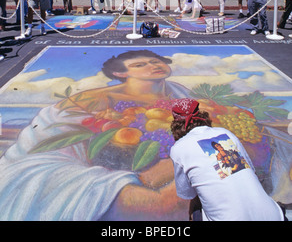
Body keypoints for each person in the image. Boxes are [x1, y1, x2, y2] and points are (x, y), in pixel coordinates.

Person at [0, 50, 192, 221]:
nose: (153, 66)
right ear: (120, 73)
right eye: (140, 65)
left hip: (150, 161)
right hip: (62, 160)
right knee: (160, 204)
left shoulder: (178, 91)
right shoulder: (94, 100)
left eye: (156, 61)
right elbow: (55, 134)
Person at [169, 98, 285, 221]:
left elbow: (188, 193)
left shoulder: (179, 148)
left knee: (195, 207)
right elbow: (250, 170)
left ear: (176, 123)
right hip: (274, 215)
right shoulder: (225, 133)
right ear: (200, 114)